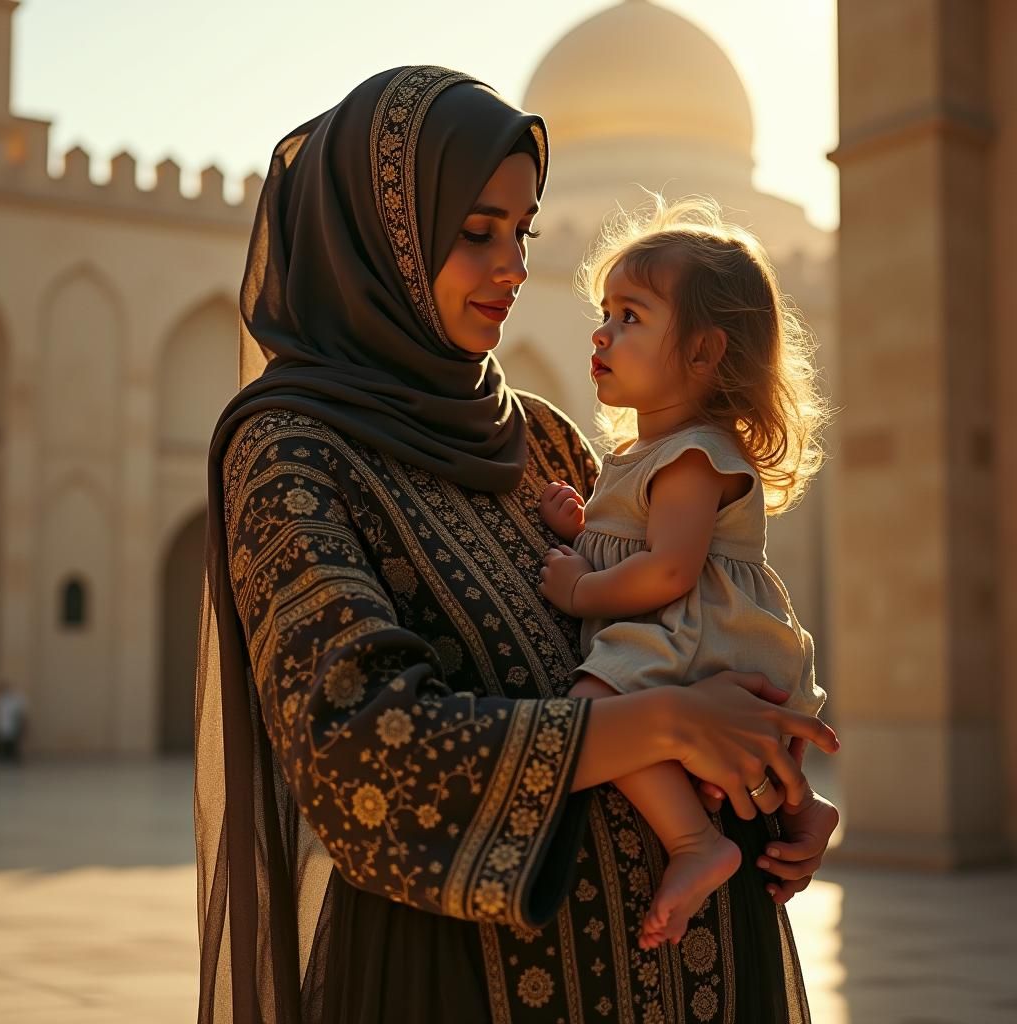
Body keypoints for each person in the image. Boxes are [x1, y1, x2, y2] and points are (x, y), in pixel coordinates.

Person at [194, 66, 841, 1024]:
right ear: (382, 239)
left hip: (700, 977)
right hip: (466, 985)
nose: (515, 270)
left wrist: (773, 791)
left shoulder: (538, 436)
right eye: (475, 232)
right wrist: (672, 726)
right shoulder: (293, 450)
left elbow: (676, 634)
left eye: (523, 232)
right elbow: (361, 757)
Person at [538, 197, 837, 953]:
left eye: (632, 316)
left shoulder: (695, 455)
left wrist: (578, 587)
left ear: (703, 354)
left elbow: (668, 571)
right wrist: (587, 529)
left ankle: (694, 843)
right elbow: (640, 542)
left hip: (707, 630)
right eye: (605, 311)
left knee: (595, 702)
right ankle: (807, 812)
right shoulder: (651, 457)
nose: (603, 331)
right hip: (708, 633)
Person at [0, 681, 27, 763]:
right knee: (3, 743)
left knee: (13, 743)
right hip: (2, 725)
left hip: (13, 725)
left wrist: (22, 725)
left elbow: (20, 713)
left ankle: (12, 759)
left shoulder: (15, 699)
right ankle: (5, 759)